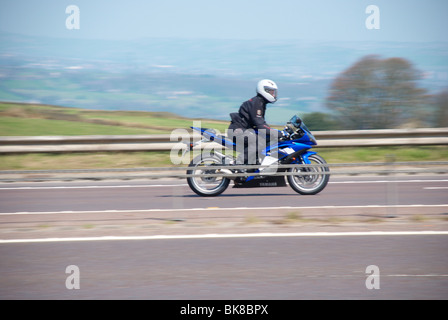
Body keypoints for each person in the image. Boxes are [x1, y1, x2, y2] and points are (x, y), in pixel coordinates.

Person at [227, 79, 285, 166]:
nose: (273, 94)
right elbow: (260, 125)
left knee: (266, 140)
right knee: (258, 142)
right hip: (238, 130)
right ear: (264, 90)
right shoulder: (256, 103)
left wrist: (275, 132)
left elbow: (262, 123)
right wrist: (278, 133)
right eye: (271, 92)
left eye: (274, 92)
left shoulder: (260, 103)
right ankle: (238, 163)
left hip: (244, 129)